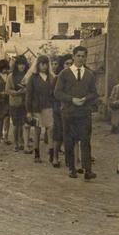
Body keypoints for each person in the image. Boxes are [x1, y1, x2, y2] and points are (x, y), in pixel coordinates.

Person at [54, 46, 98, 180]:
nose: (81, 59)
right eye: (78, 56)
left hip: (84, 113)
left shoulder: (89, 74)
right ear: (73, 57)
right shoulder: (64, 74)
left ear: (86, 58)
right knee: (69, 141)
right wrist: (72, 99)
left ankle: (87, 170)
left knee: (85, 140)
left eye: (83, 56)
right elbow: (57, 93)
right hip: (69, 113)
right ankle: (71, 168)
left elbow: (94, 93)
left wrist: (86, 99)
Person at [24, 55, 56, 163]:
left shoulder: (51, 77)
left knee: (51, 130)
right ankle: (36, 154)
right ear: (38, 65)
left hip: (49, 107)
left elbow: (54, 93)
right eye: (42, 64)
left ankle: (51, 154)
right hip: (36, 108)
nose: (44, 66)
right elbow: (29, 95)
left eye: (46, 64)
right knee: (37, 131)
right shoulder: (33, 78)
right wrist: (28, 111)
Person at [52, 54, 73, 168]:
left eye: (71, 63)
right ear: (62, 65)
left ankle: (70, 159)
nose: (69, 66)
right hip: (58, 109)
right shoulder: (57, 78)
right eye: (67, 63)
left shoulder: (75, 77)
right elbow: (53, 94)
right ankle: (55, 157)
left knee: (70, 134)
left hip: (71, 109)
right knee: (58, 134)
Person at [6, 55, 30, 153]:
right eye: (20, 64)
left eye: (23, 65)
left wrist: (27, 90)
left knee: (24, 124)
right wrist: (17, 92)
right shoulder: (11, 76)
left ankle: (23, 143)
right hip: (15, 103)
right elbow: (7, 90)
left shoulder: (28, 76)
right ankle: (15, 143)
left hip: (25, 103)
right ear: (17, 65)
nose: (22, 67)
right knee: (16, 125)